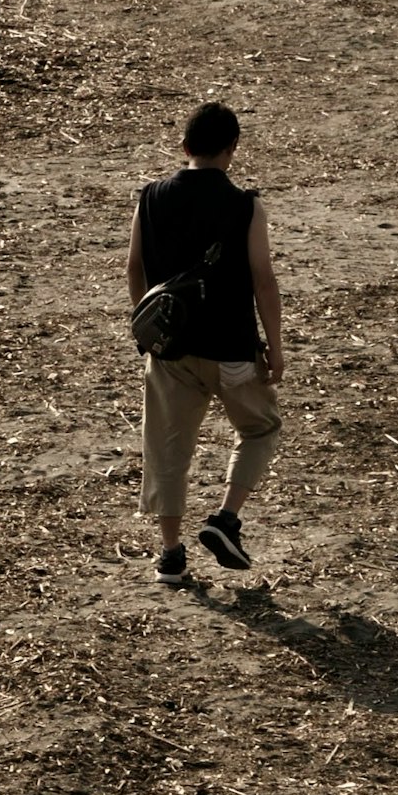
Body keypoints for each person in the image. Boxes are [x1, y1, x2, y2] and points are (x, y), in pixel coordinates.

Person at [128, 100, 286, 581]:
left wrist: (148, 325)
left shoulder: (151, 197)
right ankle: (226, 518)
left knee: (167, 448)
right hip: (232, 347)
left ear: (184, 147)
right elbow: (264, 281)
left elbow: (134, 268)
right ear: (231, 150)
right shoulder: (244, 206)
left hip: (172, 349)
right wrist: (275, 346)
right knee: (260, 429)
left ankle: (171, 555)